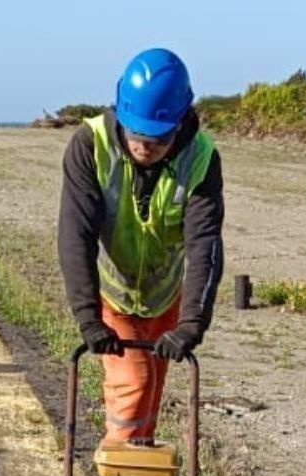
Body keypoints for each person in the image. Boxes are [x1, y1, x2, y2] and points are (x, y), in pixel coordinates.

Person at [57, 47, 225, 442]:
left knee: (150, 394)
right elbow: (75, 235)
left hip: (166, 298)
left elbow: (205, 244)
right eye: (136, 135)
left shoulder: (201, 159)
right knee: (133, 389)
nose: (144, 147)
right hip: (114, 298)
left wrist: (191, 324)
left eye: (157, 139)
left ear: (180, 122)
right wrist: (88, 318)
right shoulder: (90, 146)